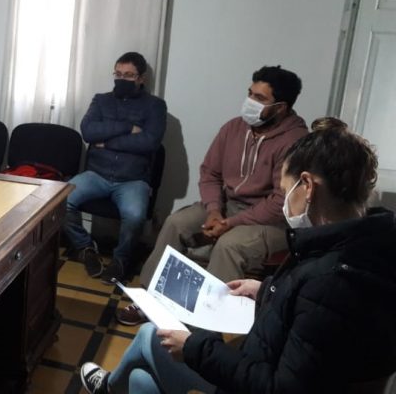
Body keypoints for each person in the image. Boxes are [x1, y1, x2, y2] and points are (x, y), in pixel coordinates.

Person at [80, 118, 396, 393]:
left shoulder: (333, 281)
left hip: (253, 379)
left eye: (286, 191)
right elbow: (307, 310)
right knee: (141, 381)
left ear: (308, 187)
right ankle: (111, 387)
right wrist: (268, 290)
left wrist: (195, 348)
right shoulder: (366, 244)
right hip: (263, 358)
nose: (286, 201)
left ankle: (108, 387)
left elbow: (280, 386)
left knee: (151, 336)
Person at [117, 66, 307, 325]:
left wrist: (230, 223)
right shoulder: (233, 128)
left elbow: (280, 202)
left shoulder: (296, 142)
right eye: (250, 93)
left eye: (260, 98)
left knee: (230, 245)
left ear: (281, 108)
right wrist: (214, 210)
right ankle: (151, 300)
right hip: (227, 207)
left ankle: (203, 323)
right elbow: (210, 173)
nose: (250, 102)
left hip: (272, 221)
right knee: (176, 224)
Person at [64, 52, 166, 284]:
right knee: (60, 199)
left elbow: (149, 142)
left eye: (128, 75)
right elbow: (88, 131)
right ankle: (85, 247)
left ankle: (120, 260)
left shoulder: (155, 106)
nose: (122, 79)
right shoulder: (101, 100)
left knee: (135, 216)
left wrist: (107, 142)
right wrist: (129, 127)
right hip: (96, 173)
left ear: (141, 78)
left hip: (133, 179)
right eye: (118, 74)